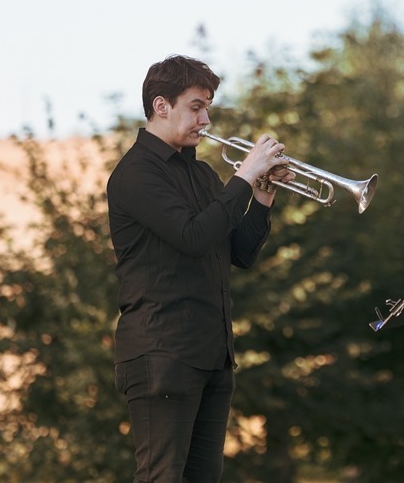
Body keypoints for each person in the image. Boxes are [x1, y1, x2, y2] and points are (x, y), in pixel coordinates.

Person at [107, 54, 293, 483]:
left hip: (212, 353)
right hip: (162, 351)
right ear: (161, 106)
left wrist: (263, 193)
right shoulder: (136, 174)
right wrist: (245, 176)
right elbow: (191, 235)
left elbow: (240, 253)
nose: (206, 120)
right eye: (196, 107)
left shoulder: (205, 174)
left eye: (208, 107)